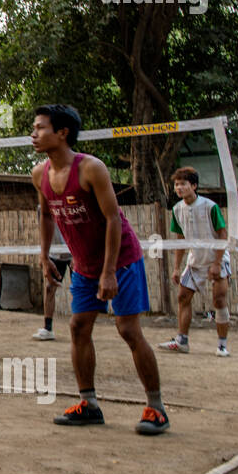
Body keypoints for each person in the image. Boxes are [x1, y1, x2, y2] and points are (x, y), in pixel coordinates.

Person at [32, 104, 168, 435]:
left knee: (128, 330)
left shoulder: (91, 169)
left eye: (40, 128)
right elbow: (47, 215)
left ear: (62, 133)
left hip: (120, 259)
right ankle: (89, 405)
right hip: (84, 265)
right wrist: (44, 255)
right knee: (79, 328)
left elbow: (112, 219)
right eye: (33, 128)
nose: (33, 134)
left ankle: (156, 407)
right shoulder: (39, 174)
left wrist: (109, 272)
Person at [159, 167, 233, 357]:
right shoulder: (177, 209)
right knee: (183, 296)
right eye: (176, 184)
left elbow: (223, 234)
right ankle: (182, 340)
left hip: (216, 258)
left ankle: (222, 345)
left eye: (183, 184)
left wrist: (217, 263)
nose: (179, 188)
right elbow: (181, 239)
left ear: (194, 185)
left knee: (219, 300)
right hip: (195, 261)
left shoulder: (210, 206)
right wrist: (176, 268)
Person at [32, 210, 71, 341]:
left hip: (74, 251)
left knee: (79, 288)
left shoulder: (68, 202)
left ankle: (82, 326)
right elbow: (43, 230)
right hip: (54, 253)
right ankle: (48, 328)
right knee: (49, 289)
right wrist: (43, 254)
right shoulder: (41, 207)